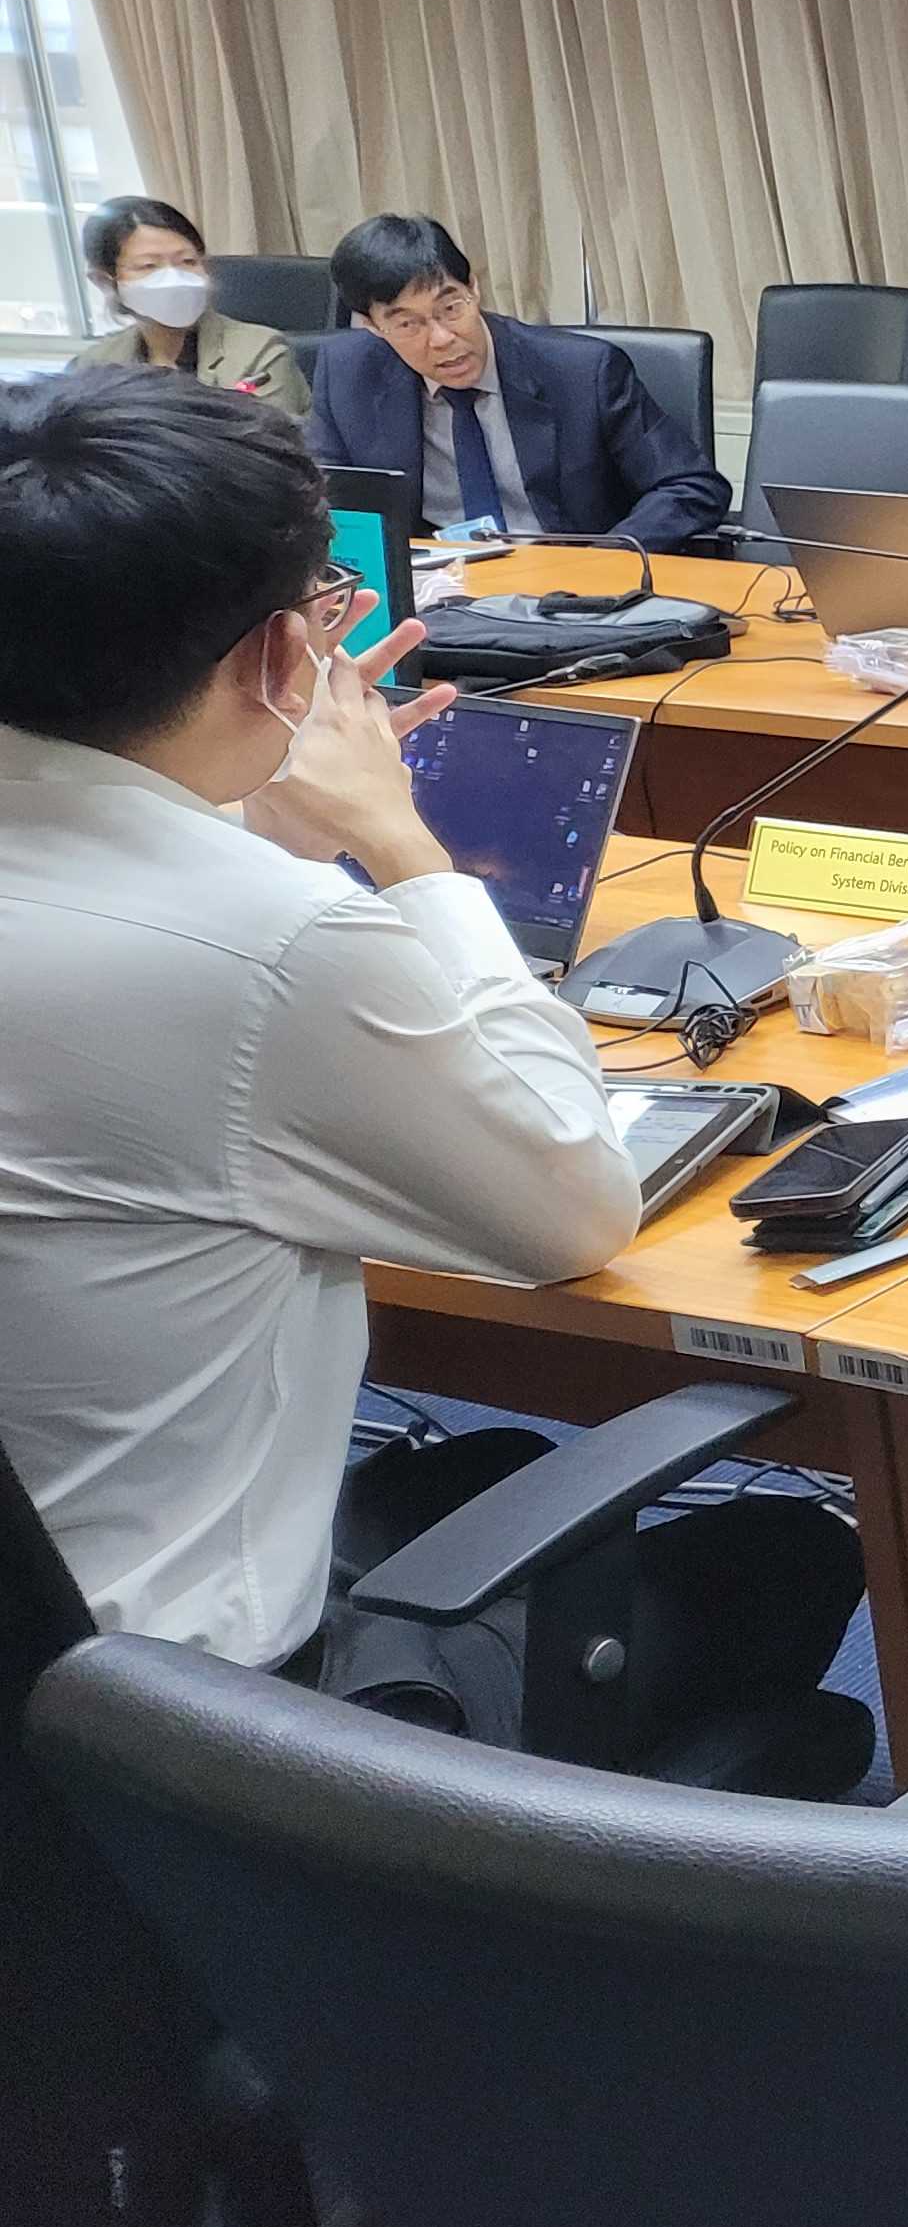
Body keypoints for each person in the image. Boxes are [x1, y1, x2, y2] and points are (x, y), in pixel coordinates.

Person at [0, 370, 645, 1674]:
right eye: (324, 605)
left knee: (487, 1466)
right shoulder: (277, 943)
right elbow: (574, 1215)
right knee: (777, 1565)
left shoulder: (231, 915)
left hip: (45, 1615)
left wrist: (234, 813)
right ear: (280, 655)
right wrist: (402, 851)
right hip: (170, 1706)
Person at [305, 214, 729, 548]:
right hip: (439, 598)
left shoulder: (583, 372)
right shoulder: (348, 377)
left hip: (569, 590)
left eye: (451, 308)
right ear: (373, 327)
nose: (441, 338)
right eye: (407, 324)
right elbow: (323, 506)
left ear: (474, 288)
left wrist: (604, 561)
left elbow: (691, 486)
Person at [67, 196, 311, 419]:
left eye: (188, 261)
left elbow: (271, 442)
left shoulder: (258, 351)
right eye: (148, 266)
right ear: (104, 281)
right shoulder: (92, 367)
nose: (174, 278)